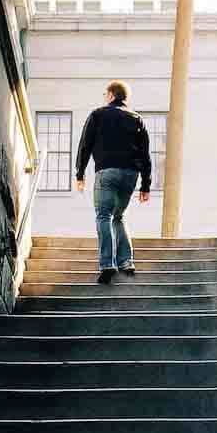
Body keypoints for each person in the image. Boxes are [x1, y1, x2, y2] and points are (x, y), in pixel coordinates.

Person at [74, 80, 152, 284]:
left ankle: (107, 263)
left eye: (104, 95)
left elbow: (85, 145)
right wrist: (146, 185)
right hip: (130, 175)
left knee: (104, 216)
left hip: (107, 172)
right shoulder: (137, 119)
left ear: (110, 95)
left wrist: (80, 173)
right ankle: (126, 262)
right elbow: (145, 155)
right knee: (119, 216)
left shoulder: (98, 114)